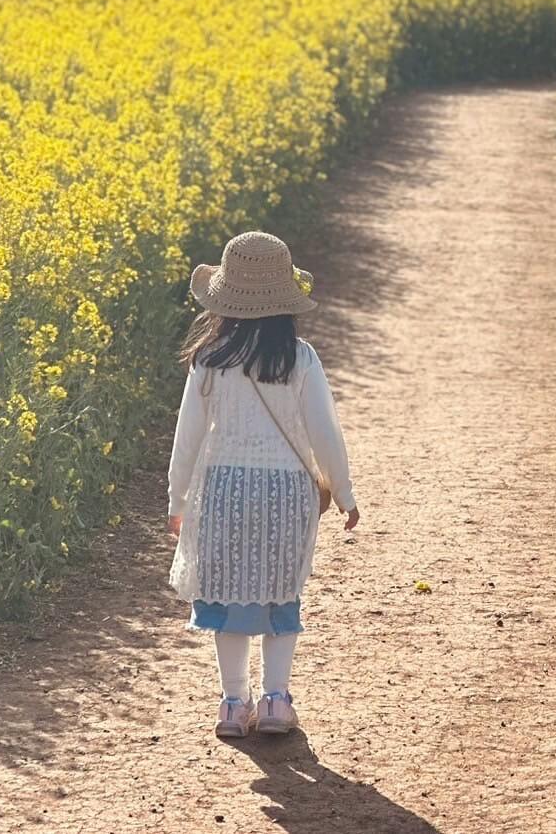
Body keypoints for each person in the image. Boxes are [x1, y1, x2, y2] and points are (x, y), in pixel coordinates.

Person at [167, 231, 358, 740]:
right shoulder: (301, 357)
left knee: (227, 600)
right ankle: (275, 701)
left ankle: (233, 704)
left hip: (224, 490)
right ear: (284, 302)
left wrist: (177, 499)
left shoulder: (209, 359)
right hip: (287, 493)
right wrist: (343, 492)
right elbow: (325, 431)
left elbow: (187, 438)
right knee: (279, 597)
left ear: (225, 301)